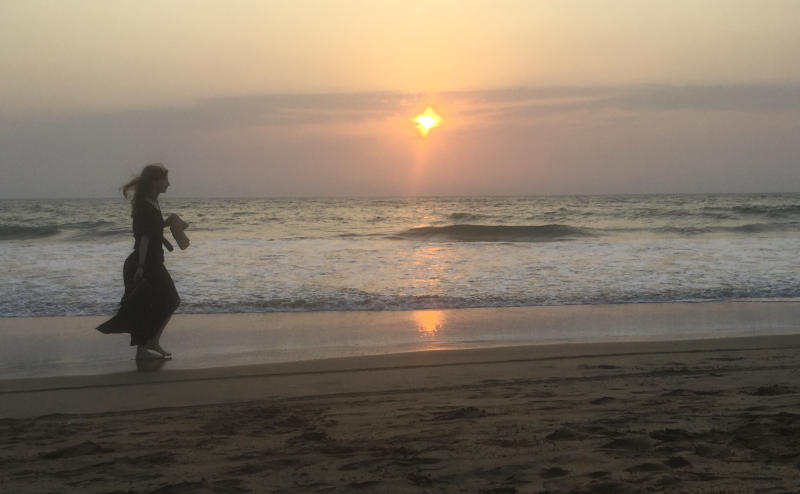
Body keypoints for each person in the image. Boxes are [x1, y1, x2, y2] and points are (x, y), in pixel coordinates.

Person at [97, 163, 181, 360]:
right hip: (144, 264)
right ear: (155, 181)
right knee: (169, 300)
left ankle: (145, 347)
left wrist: (169, 222)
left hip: (152, 262)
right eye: (165, 179)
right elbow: (143, 238)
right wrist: (141, 267)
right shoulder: (145, 205)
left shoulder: (152, 202)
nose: (168, 183)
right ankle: (149, 343)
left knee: (149, 303)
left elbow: (153, 230)